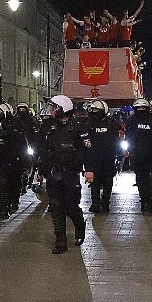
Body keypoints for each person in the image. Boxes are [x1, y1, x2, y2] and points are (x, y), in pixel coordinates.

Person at [37, 95, 93, 254]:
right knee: (55, 207)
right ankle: (60, 240)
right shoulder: (49, 128)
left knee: (70, 206)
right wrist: (41, 171)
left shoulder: (78, 128)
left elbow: (87, 150)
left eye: (55, 108)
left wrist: (89, 170)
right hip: (54, 173)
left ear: (63, 109)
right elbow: (44, 152)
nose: (52, 111)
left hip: (70, 173)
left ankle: (80, 226)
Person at [125, 97, 152, 212]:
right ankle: (144, 200)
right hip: (138, 155)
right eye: (139, 108)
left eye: (143, 108)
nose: (141, 110)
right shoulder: (131, 120)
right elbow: (128, 135)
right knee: (141, 179)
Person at [85, 100, 120, 213]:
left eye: (97, 110)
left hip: (108, 158)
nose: (94, 112)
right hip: (94, 158)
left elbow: (116, 140)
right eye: (92, 110)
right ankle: (95, 203)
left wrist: (118, 154)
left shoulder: (111, 124)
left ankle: (105, 203)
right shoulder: (89, 124)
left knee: (107, 182)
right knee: (94, 182)